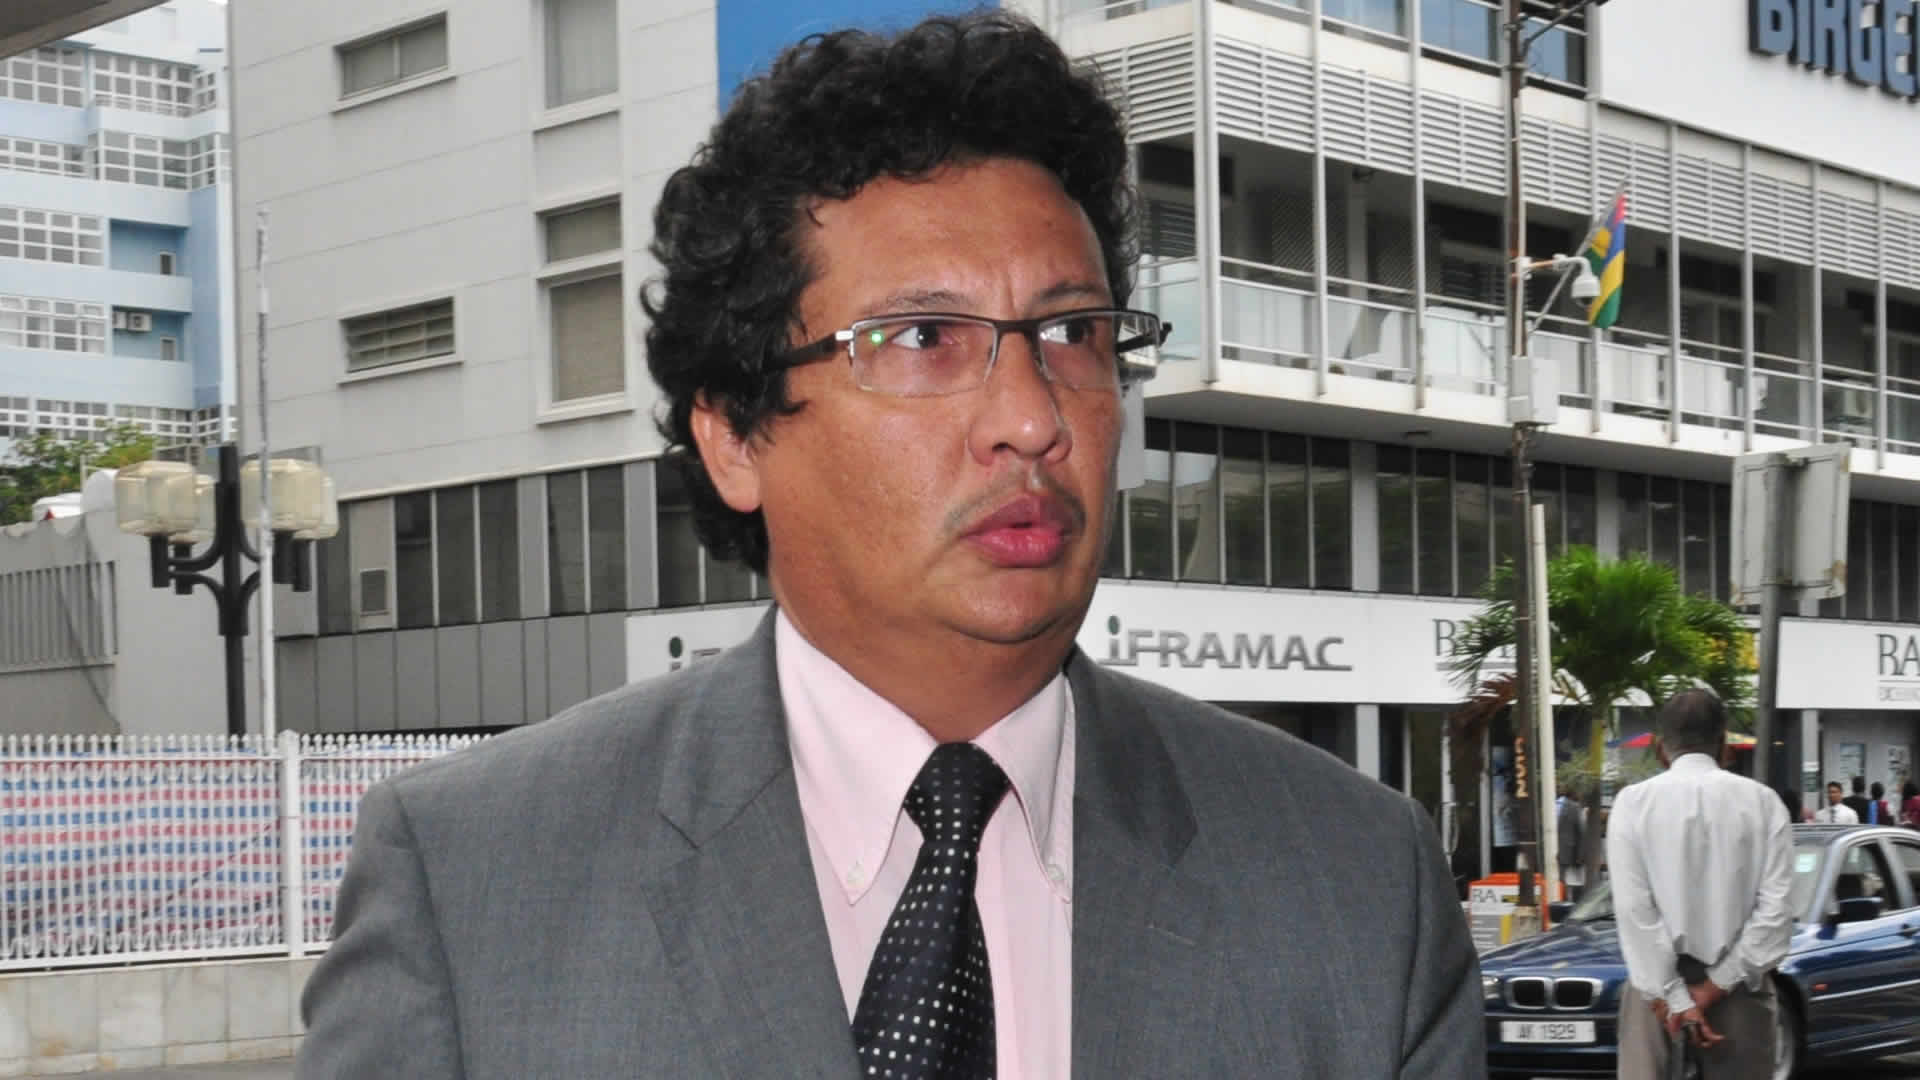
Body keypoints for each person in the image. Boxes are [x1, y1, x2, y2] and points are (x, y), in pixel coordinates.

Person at [294, 13, 1483, 1079]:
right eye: (923, 337)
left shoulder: (1354, 884)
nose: (1032, 417)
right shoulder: (475, 882)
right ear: (735, 434)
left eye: (1073, 332)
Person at [1606, 689, 1794, 1080]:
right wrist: (1712, 989)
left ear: (1661, 748)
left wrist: (1678, 999)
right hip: (1739, 996)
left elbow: (1635, 912)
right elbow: (1775, 915)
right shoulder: (1764, 803)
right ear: (1724, 744)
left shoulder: (1631, 804)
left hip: (1654, 1001)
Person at [1556, 780, 1587, 900]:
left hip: (1567, 855)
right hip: (1558, 853)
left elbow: (1581, 832)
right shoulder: (1549, 805)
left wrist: (1579, 857)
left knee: (1566, 885)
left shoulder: (1574, 807)